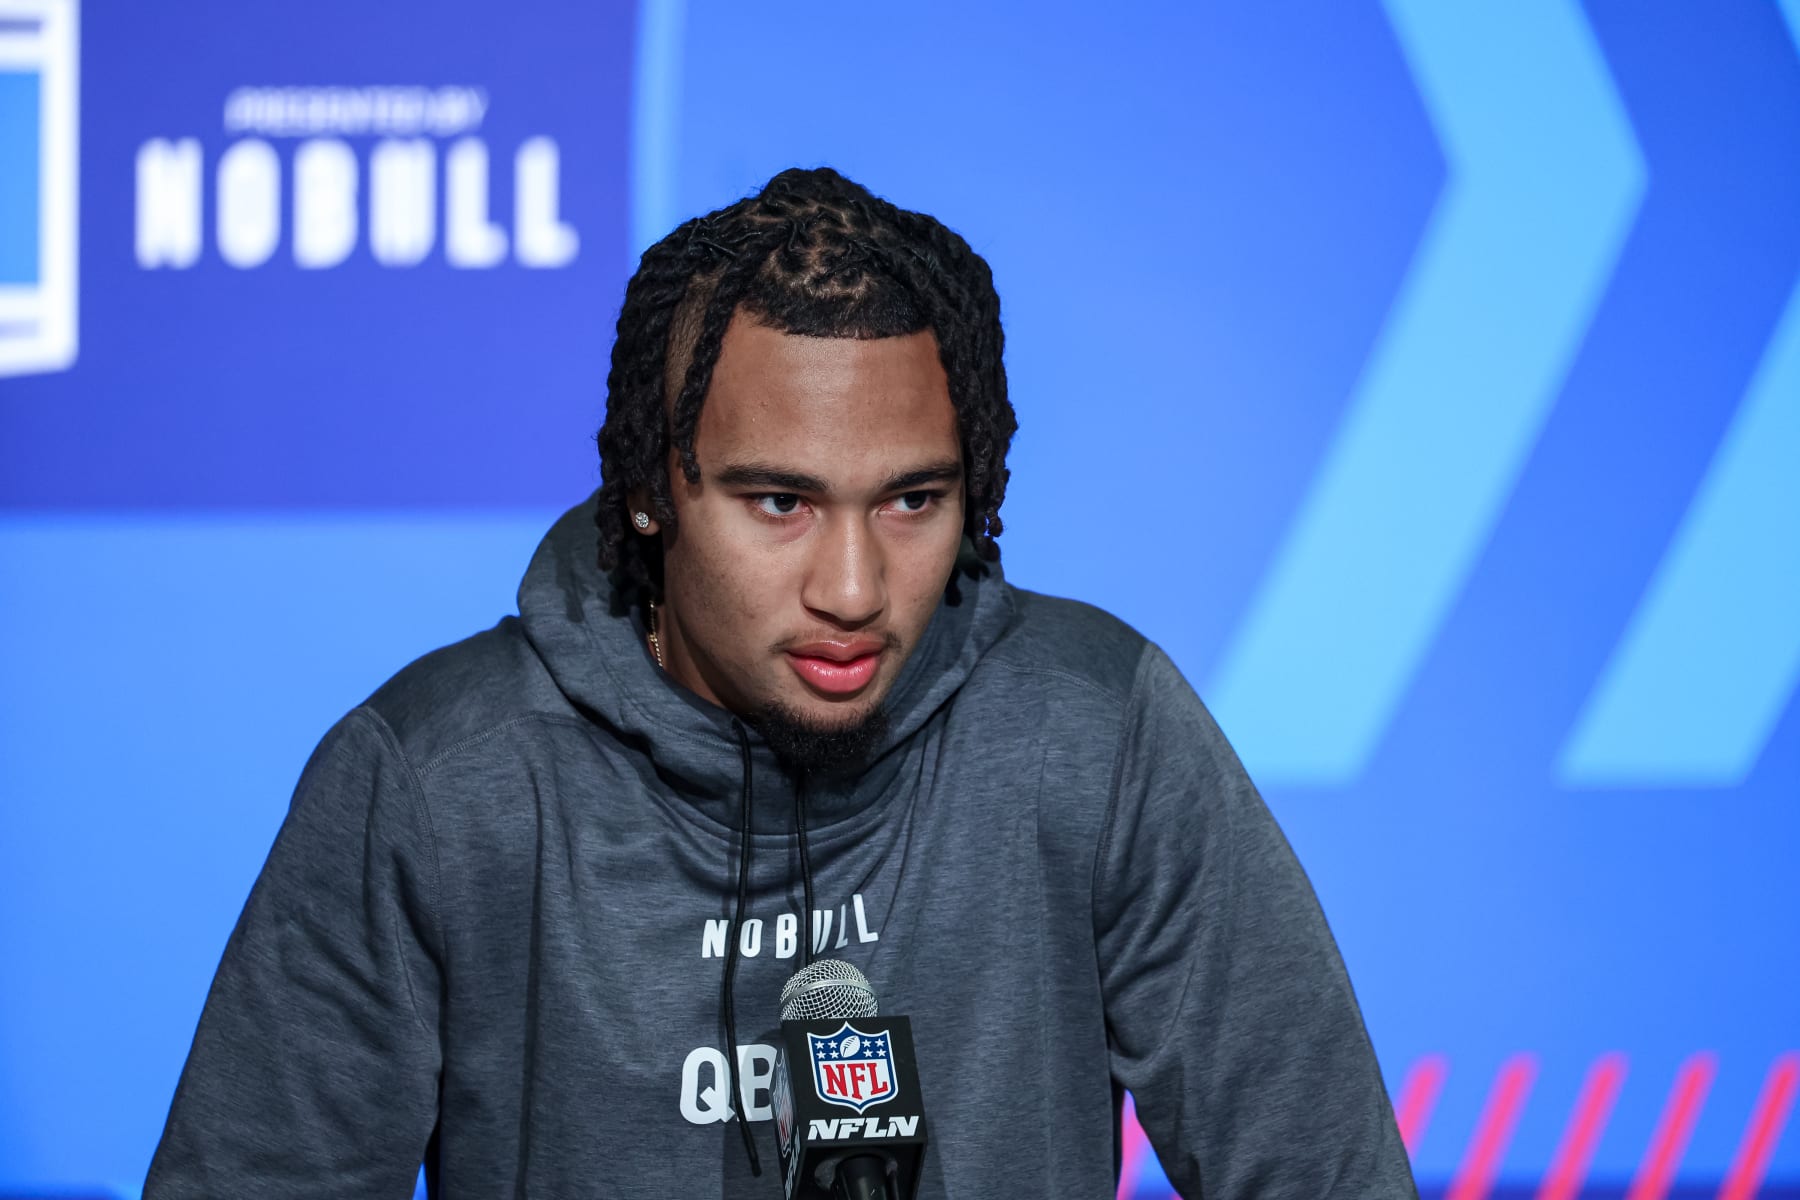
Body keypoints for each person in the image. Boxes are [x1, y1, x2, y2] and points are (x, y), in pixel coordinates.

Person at [146, 167, 1418, 1198]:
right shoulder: (439, 780)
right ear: (651, 489)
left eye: (913, 500)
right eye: (779, 502)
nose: (856, 589)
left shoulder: (1096, 732)